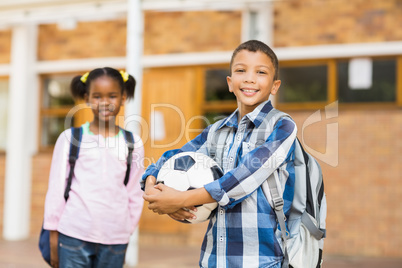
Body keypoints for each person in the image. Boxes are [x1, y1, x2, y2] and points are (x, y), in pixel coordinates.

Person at [142, 40, 298, 268]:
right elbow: (171, 158)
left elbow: (241, 180)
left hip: (263, 261)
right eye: (241, 70)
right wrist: (152, 187)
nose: (249, 78)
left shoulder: (282, 127)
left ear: (275, 86)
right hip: (213, 259)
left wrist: (181, 199)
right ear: (230, 83)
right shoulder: (216, 131)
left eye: (261, 72)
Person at [43, 67, 144, 268]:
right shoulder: (70, 138)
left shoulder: (133, 143)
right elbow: (56, 189)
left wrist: (126, 228)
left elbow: (135, 191)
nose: (105, 102)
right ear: (87, 98)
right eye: (97, 96)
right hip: (73, 235)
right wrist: (53, 235)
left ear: (123, 98)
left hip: (115, 239)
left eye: (112, 96)